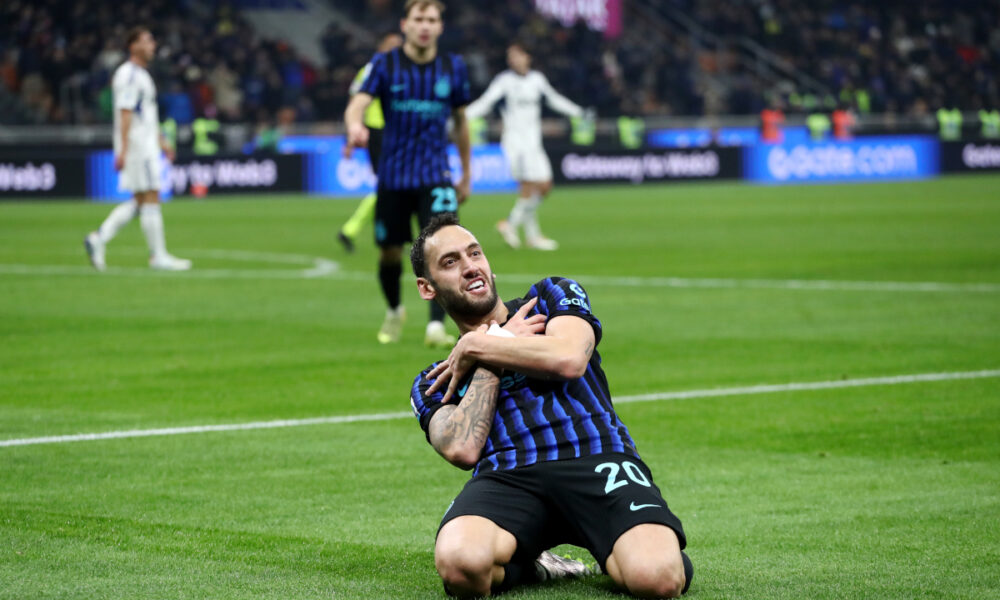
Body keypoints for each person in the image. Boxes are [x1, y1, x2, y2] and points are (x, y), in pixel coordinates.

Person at [408, 214, 693, 598]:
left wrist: (480, 345)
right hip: (507, 477)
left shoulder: (551, 296)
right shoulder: (435, 380)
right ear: (427, 288)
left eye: (474, 253)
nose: (470, 266)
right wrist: (493, 351)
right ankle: (534, 563)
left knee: (655, 578)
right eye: (450, 261)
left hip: (597, 458)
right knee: (460, 566)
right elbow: (462, 448)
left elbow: (570, 359)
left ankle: (639, 547)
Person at [344, 0, 471, 348]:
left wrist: (466, 172)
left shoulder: (452, 67)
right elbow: (357, 103)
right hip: (394, 176)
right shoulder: (385, 65)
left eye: (432, 19)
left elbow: (461, 122)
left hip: (436, 175)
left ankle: (435, 325)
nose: (425, 25)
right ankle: (395, 309)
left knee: (444, 249)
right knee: (389, 252)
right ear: (405, 24)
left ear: (440, 26)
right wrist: (354, 126)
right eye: (419, 18)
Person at [84, 27, 190, 272]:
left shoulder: (141, 75)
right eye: (147, 40)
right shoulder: (129, 75)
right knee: (151, 196)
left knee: (141, 200)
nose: (153, 45)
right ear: (133, 46)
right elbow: (125, 112)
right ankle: (158, 256)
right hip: (138, 147)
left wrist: (162, 142)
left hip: (145, 144)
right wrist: (122, 149)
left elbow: (147, 116)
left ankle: (98, 238)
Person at [465, 42, 588, 251]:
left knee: (545, 186)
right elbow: (486, 101)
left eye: (517, 55)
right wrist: (463, 116)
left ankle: (514, 225)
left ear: (527, 57)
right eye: (510, 56)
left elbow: (554, 99)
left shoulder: (536, 80)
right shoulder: (504, 81)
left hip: (534, 143)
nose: (513, 60)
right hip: (515, 143)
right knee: (529, 186)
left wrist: (577, 111)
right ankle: (529, 234)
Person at [336, 31, 404, 254]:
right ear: (381, 46)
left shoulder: (400, 70)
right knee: (389, 185)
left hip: (396, 133)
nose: (397, 49)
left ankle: (393, 234)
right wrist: (352, 136)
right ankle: (352, 229)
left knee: (397, 186)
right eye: (392, 44)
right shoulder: (370, 70)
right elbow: (355, 102)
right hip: (378, 133)